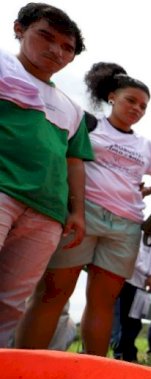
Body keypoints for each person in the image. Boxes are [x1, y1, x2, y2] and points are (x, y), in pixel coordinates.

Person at [15, 61, 151, 354]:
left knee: (103, 302)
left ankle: (89, 371)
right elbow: (63, 155)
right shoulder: (86, 123)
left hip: (125, 226)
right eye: (131, 100)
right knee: (53, 292)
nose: (137, 109)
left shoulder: (146, 146)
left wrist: (149, 189)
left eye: (143, 106)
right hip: (82, 215)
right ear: (112, 96)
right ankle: (23, 366)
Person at [0, 3, 92, 347]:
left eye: (67, 47)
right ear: (19, 29)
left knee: (10, 303)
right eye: (46, 36)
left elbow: (74, 161)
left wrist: (77, 211)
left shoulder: (73, 108)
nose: (56, 50)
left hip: (47, 214)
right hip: (3, 192)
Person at [113, 240, 151, 361]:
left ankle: (126, 352)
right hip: (122, 275)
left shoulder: (149, 231)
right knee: (124, 320)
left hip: (137, 280)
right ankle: (122, 352)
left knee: (131, 322)